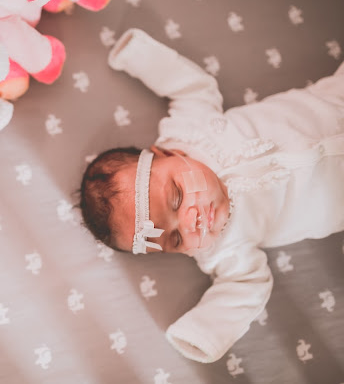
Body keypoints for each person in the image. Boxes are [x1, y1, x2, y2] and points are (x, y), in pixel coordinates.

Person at [79, 28, 344, 363]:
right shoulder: (222, 250)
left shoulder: (189, 130)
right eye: (176, 238)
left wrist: (138, 56)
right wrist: (202, 333)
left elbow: (193, 88)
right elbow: (245, 285)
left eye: (176, 197)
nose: (191, 221)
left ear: (167, 153)